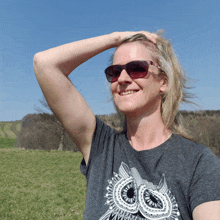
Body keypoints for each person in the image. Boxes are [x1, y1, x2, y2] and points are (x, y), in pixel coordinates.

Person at [33, 31, 220, 220]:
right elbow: (44, 63)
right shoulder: (101, 147)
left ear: (163, 81)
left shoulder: (199, 162)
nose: (122, 79)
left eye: (137, 68)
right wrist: (115, 38)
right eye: (114, 72)